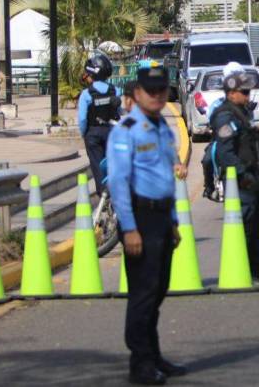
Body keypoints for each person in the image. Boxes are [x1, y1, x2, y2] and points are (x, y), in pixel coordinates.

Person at [106, 62, 188, 385]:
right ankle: (139, 363)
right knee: (142, 294)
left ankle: (153, 355)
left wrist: (172, 221)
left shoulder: (163, 127)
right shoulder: (126, 130)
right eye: (149, 91)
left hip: (161, 217)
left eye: (160, 90)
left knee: (158, 290)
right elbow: (119, 182)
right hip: (139, 217)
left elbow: (166, 179)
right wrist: (129, 228)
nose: (156, 96)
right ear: (136, 93)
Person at [203, 70, 259, 283]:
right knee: (245, 228)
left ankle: (256, 269)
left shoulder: (240, 113)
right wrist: (243, 174)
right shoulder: (226, 115)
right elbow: (226, 153)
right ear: (231, 93)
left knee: (255, 227)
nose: (247, 95)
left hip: (253, 176)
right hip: (241, 181)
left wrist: (257, 132)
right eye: (243, 92)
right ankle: (244, 270)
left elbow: (244, 138)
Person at [78, 54, 121, 190]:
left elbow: (82, 119)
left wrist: (84, 133)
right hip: (112, 132)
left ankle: (104, 196)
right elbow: (121, 112)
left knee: (97, 166)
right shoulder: (115, 90)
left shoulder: (86, 94)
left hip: (93, 133)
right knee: (113, 164)